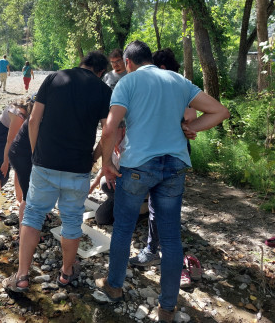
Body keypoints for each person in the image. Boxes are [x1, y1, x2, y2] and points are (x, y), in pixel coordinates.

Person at [96, 41, 229, 323]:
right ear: (150, 60)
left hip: (138, 165)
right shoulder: (179, 81)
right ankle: (167, 307)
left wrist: (106, 163)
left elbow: (110, 128)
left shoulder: (128, 83)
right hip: (175, 165)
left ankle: (114, 286)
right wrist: (191, 127)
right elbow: (219, 111)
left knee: (122, 228)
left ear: (129, 62)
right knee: (170, 237)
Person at [2, 51, 112, 293]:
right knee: (72, 220)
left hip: (45, 163)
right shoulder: (104, 91)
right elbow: (107, 133)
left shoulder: (54, 78)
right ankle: (65, 273)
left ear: (81, 63)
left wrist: (34, 153)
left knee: (32, 216)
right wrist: (94, 158)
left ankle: (21, 277)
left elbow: (33, 121)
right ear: (101, 72)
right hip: (78, 168)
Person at [129, 48, 197, 268]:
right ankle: (157, 248)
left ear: (163, 68)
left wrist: (185, 126)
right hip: (172, 154)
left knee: (159, 206)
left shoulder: (174, 84)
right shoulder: (178, 83)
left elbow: (190, 116)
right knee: (160, 206)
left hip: (166, 156)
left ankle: (154, 250)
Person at [0, 97, 33, 221]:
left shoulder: (30, 114)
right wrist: (5, 162)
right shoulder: (18, 115)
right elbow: (9, 141)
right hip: (1, 134)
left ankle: (19, 199)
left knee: (20, 165)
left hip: (16, 133)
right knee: (0, 171)